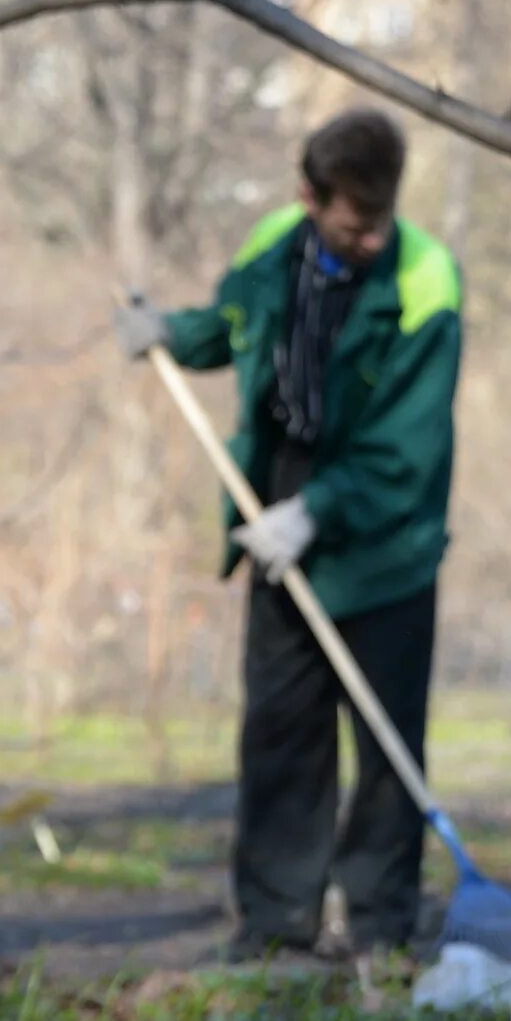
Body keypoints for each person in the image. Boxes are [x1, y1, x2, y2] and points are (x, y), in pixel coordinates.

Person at [115, 107, 462, 962]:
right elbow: (238, 328)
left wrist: (318, 512)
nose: (370, 238)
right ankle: (275, 925)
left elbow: (406, 446)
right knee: (280, 725)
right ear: (310, 197)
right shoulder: (276, 242)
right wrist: (171, 333)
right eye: (352, 223)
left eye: (380, 220)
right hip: (276, 498)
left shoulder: (426, 281)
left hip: (383, 532)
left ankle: (382, 922)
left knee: (384, 737)